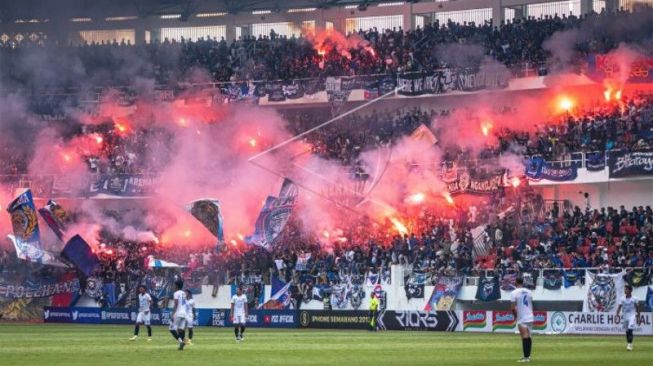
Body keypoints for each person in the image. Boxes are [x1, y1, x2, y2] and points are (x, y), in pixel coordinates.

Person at [510, 277, 534, 363]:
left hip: (522, 317)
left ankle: (526, 358)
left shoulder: (514, 293)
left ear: (516, 282)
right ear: (522, 282)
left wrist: (516, 316)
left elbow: (512, 308)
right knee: (528, 336)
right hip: (530, 316)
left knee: (524, 336)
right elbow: (531, 302)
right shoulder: (529, 291)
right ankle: (527, 356)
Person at [616, 285, 641, 351]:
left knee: (630, 329)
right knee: (627, 331)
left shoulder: (635, 299)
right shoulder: (622, 298)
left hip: (632, 315)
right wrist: (617, 315)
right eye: (625, 289)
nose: (625, 290)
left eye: (626, 289)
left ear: (630, 290)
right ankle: (629, 343)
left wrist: (638, 317)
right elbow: (619, 307)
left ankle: (630, 345)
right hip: (624, 315)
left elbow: (638, 308)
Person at [169, 280, 187, 351]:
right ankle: (181, 347)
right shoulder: (184, 293)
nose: (173, 286)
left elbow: (176, 304)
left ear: (176, 286)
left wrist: (173, 313)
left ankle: (181, 342)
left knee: (171, 329)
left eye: (174, 285)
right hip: (184, 313)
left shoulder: (176, 293)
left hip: (178, 312)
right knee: (181, 330)